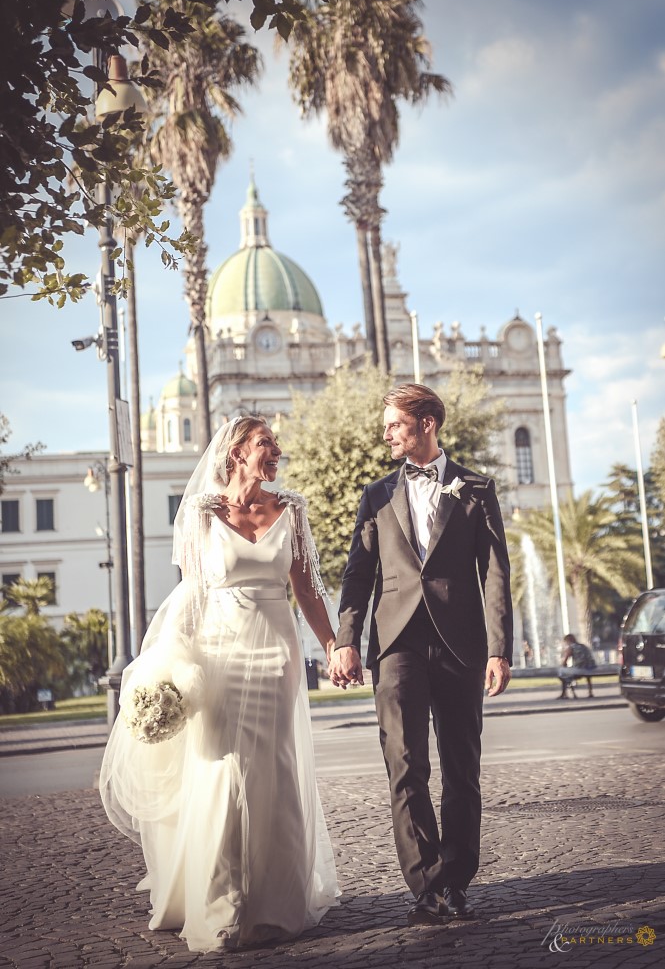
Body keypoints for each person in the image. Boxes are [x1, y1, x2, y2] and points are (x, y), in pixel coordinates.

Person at [99, 417, 339, 953]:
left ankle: (276, 906)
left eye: (276, 443)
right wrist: (169, 672)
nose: (276, 450)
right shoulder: (201, 514)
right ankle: (222, 904)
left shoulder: (291, 510)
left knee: (273, 768)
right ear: (235, 453)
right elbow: (190, 597)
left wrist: (332, 643)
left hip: (276, 652)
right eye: (264, 443)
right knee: (224, 770)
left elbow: (306, 588)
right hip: (220, 654)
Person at [330, 383, 513, 926]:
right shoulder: (377, 494)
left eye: (394, 423)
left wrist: (499, 648)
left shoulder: (477, 489)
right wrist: (345, 639)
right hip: (397, 646)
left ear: (426, 423)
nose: (385, 432)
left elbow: (496, 574)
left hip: (462, 645)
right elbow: (357, 574)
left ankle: (457, 881)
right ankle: (427, 886)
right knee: (405, 765)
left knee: (462, 769)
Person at [557, 632, 596, 699]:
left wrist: (563, 665)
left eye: (565, 642)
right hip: (590, 669)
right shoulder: (583, 646)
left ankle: (564, 694)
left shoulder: (571, 647)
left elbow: (564, 661)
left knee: (561, 672)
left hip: (580, 670)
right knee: (567, 673)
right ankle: (590, 692)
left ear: (568, 641)